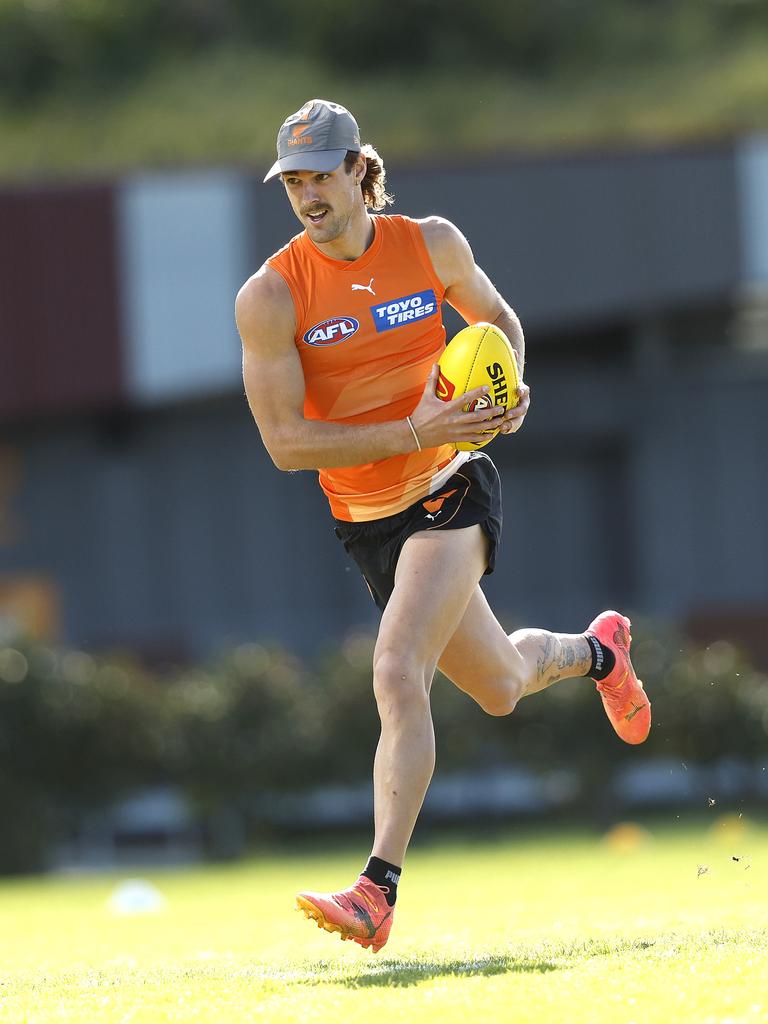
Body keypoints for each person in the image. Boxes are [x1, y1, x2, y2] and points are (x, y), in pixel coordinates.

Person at [236, 99, 651, 954]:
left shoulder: (430, 244)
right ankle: (600, 652)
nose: (307, 193)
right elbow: (284, 445)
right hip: (366, 518)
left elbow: (499, 325)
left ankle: (375, 889)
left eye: (321, 174)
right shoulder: (272, 295)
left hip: (450, 486)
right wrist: (414, 428)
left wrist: (508, 390)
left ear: (359, 169)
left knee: (396, 669)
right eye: (293, 180)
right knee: (501, 686)